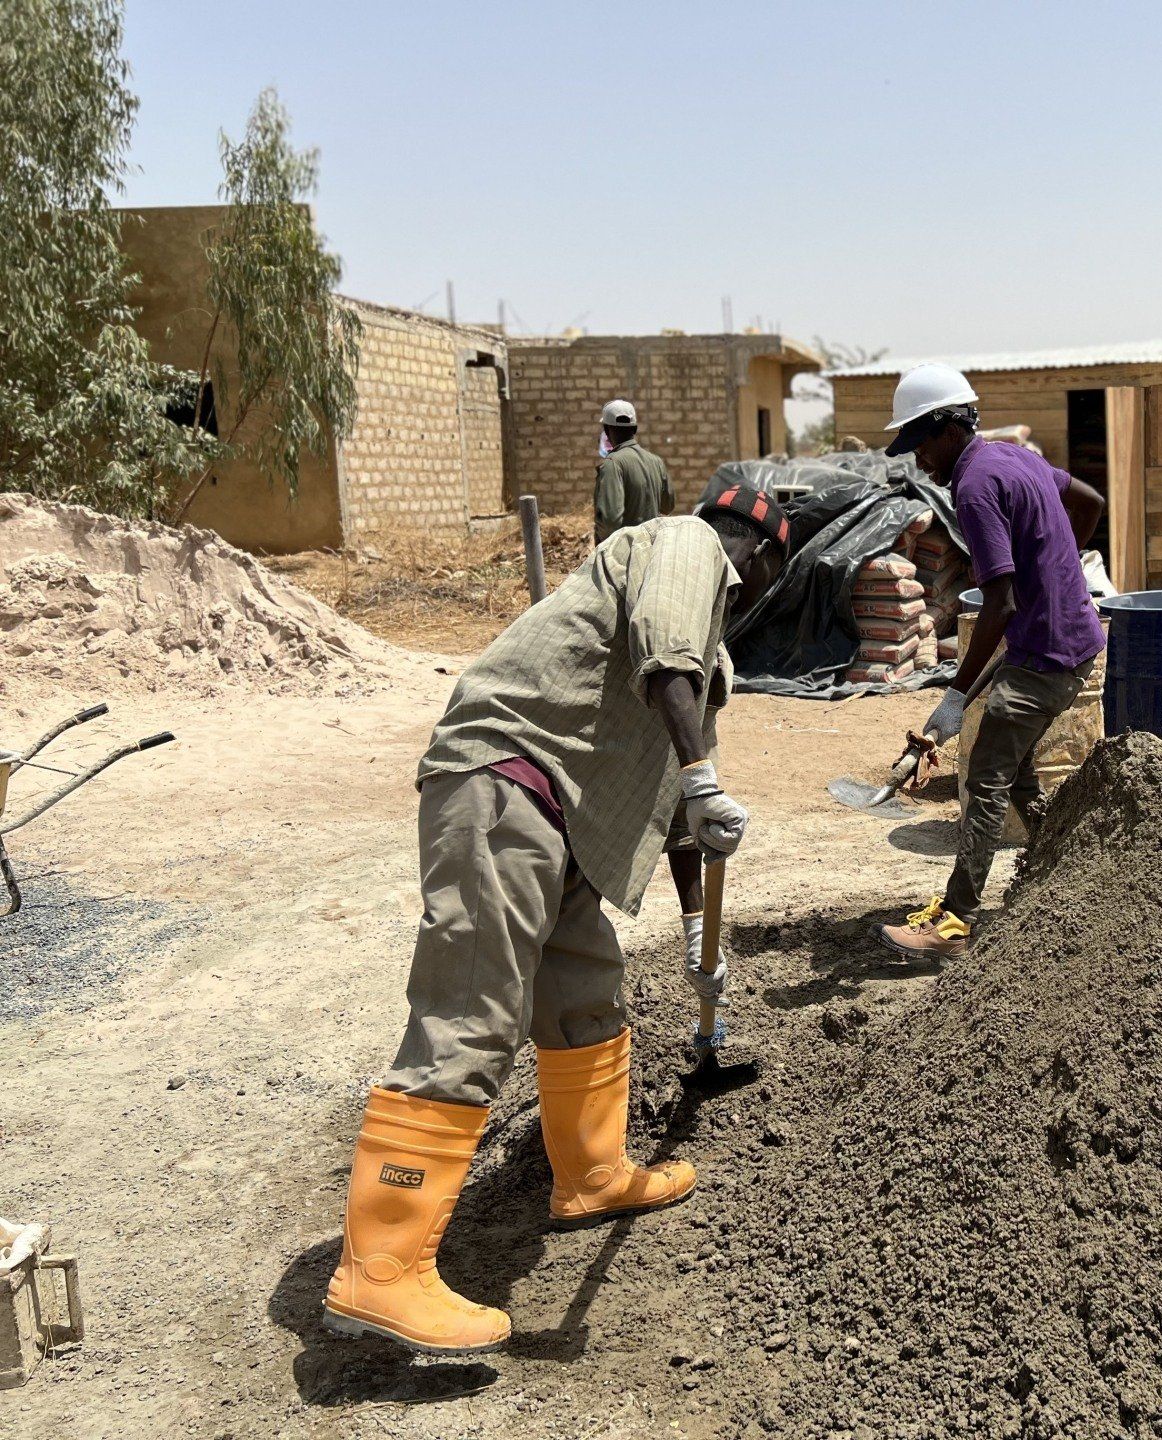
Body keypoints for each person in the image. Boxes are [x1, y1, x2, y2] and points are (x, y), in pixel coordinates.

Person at [320, 486, 789, 1357]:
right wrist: (703, 776)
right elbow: (673, 690)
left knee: (582, 991)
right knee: (472, 1012)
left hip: (561, 821)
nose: (755, 601)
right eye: (764, 583)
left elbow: (675, 801)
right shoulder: (690, 546)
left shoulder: (694, 657)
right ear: (754, 558)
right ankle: (379, 1269)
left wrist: (696, 924)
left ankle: (592, 1176)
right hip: (506, 784)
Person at [875, 364, 1106, 960]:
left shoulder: (974, 488)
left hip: (1046, 652)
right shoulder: (1016, 457)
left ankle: (955, 922)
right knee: (1019, 769)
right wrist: (1058, 562)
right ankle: (1061, 877)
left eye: (920, 442)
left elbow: (998, 602)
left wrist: (956, 694)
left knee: (984, 776)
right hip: (1065, 637)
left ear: (948, 428)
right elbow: (1089, 500)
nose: (918, 460)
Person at [593, 398, 674, 544]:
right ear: (635, 429)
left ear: (606, 430)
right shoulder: (656, 461)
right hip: (653, 549)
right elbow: (668, 506)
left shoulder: (613, 463)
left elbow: (610, 522)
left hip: (625, 555)